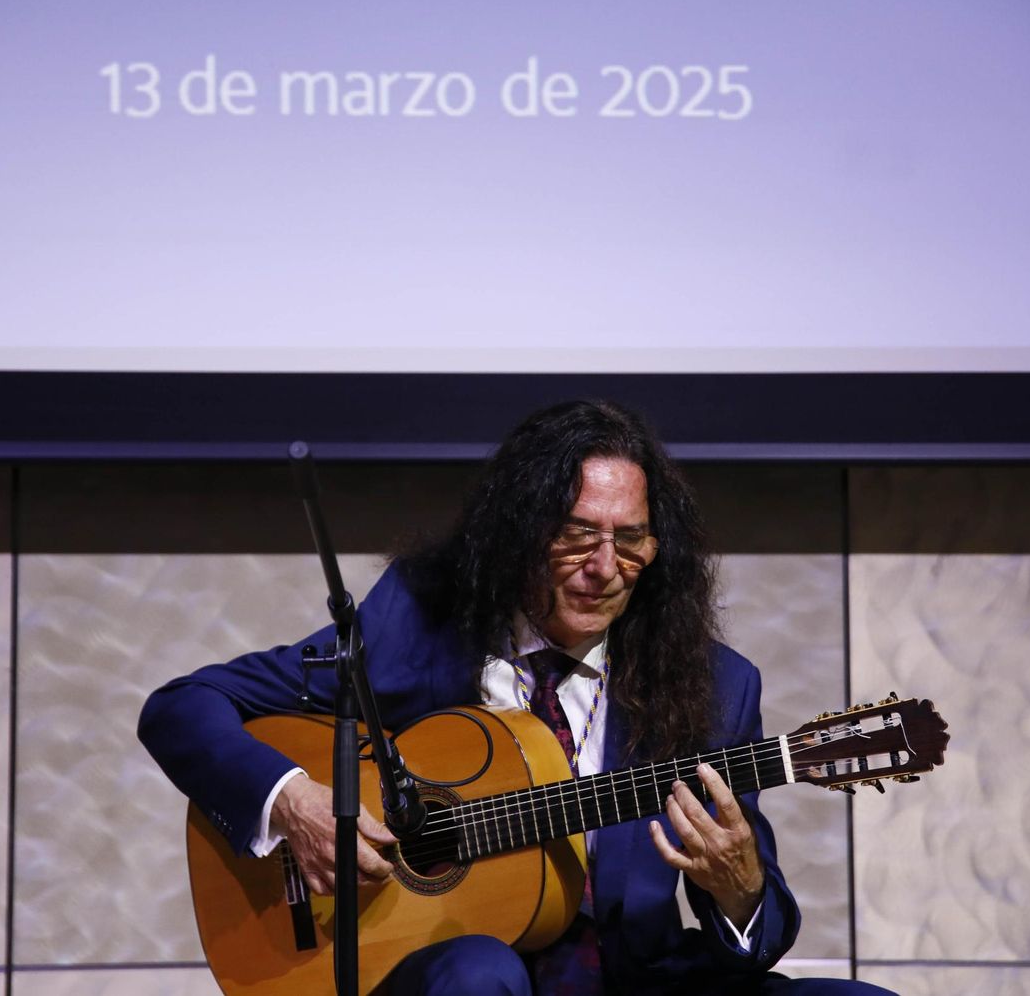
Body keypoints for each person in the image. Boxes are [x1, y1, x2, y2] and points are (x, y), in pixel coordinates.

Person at [140, 400, 894, 995]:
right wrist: (291, 803)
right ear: (519, 532)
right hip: (457, 976)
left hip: (637, 982)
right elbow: (183, 706)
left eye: (631, 540)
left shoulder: (717, 683)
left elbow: (756, 937)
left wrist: (741, 888)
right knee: (479, 974)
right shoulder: (417, 624)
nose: (605, 568)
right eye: (576, 536)